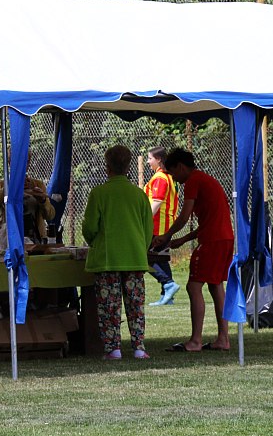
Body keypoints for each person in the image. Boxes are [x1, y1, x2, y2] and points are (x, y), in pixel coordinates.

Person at [152, 148, 233, 353]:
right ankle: (223, 339)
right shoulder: (206, 180)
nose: (174, 178)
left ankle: (195, 341)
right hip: (225, 238)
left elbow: (184, 216)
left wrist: (167, 235)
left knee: (193, 286)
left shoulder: (193, 181)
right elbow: (209, 222)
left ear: (180, 167)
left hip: (212, 241)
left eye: (173, 173)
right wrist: (182, 240)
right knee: (216, 286)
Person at [82, 145, 154, 360]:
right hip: (134, 258)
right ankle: (139, 347)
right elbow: (148, 229)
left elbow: (89, 228)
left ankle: (113, 348)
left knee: (109, 307)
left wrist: (95, 241)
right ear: (129, 166)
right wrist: (140, 247)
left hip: (107, 259)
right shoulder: (139, 195)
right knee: (135, 305)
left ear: (107, 167)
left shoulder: (99, 194)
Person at [143, 147, 181, 306]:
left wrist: (143, 220)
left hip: (157, 226)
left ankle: (168, 284)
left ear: (158, 159)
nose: (147, 161)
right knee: (162, 260)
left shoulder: (159, 178)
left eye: (150, 158)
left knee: (145, 257)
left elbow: (157, 202)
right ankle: (167, 296)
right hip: (167, 225)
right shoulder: (171, 177)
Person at [0, 174, 55, 246]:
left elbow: (50, 215)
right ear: (9, 162)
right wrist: (10, 186)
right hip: (8, 238)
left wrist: (42, 200)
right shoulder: (0, 183)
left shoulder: (38, 184)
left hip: (35, 239)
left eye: (27, 162)